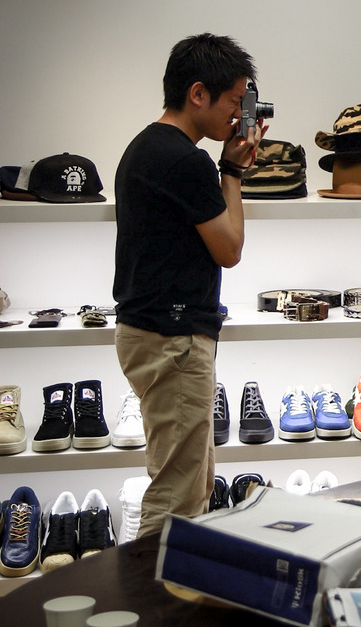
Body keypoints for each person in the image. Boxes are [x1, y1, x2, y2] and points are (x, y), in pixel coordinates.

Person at [114, 33, 264, 536]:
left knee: (190, 484)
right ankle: (151, 585)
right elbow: (230, 248)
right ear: (197, 93)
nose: (238, 115)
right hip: (173, 338)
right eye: (234, 101)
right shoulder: (184, 160)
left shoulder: (144, 147)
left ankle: (171, 579)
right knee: (177, 497)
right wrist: (233, 171)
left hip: (152, 331)